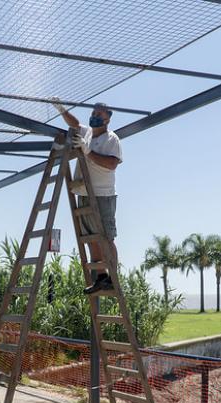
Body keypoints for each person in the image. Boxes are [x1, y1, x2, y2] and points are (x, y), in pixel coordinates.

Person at [53, 100, 123, 294]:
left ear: (107, 119)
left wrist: (88, 151)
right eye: (93, 113)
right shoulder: (87, 133)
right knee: (90, 238)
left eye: (99, 115)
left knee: (106, 238)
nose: (94, 117)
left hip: (102, 195)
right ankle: (101, 277)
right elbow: (74, 124)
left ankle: (113, 277)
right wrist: (62, 110)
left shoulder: (112, 139)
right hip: (84, 193)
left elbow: (111, 164)